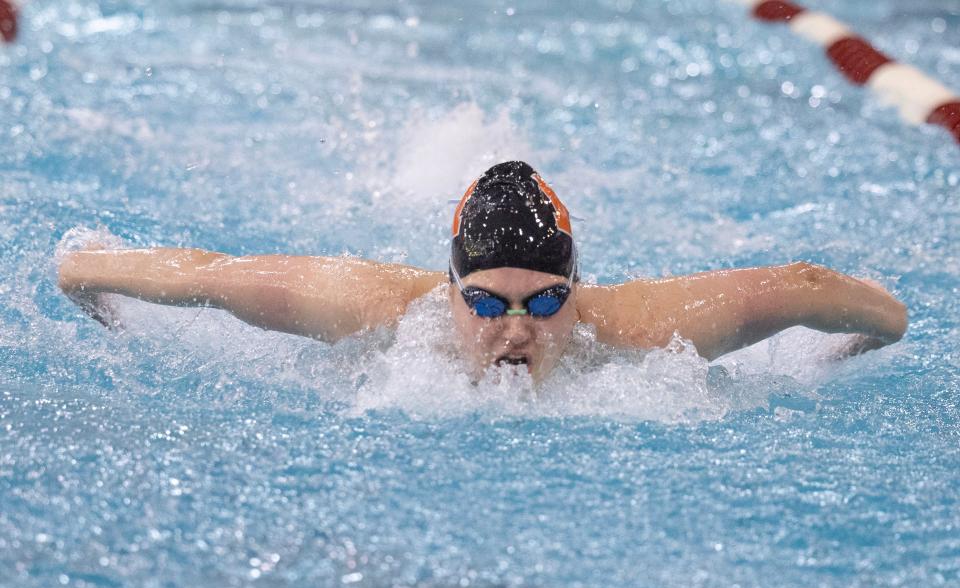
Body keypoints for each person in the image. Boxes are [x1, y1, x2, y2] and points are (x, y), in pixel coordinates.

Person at [58, 161, 908, 382]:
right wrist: (85, 277)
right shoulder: (371, 310)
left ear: (576, 291)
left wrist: (829, 365)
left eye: (544, 300)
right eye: (485, 302)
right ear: (448, 290)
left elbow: (817, 290)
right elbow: (208, 273)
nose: (515, 327)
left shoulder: (641, 331)